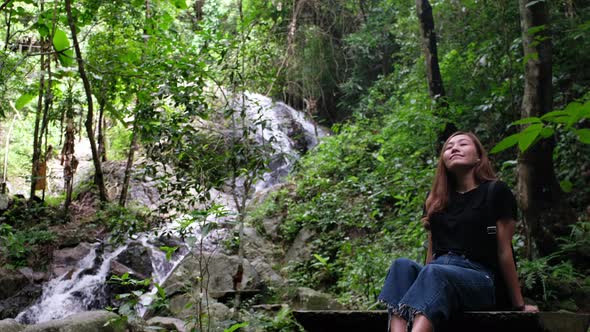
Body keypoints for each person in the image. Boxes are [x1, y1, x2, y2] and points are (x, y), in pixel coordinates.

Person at [378, 131, 538, 332]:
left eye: (462, 144)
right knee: (401, 266)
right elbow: (432, 251)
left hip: (480, 278)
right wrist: (426, 282)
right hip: (439, 272)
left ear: (478, 156)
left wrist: (518, 304)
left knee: (435, 272)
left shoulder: (496, 191)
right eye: (449, 147)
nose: (454, 148)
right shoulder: (435, 198)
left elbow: (504, 251)